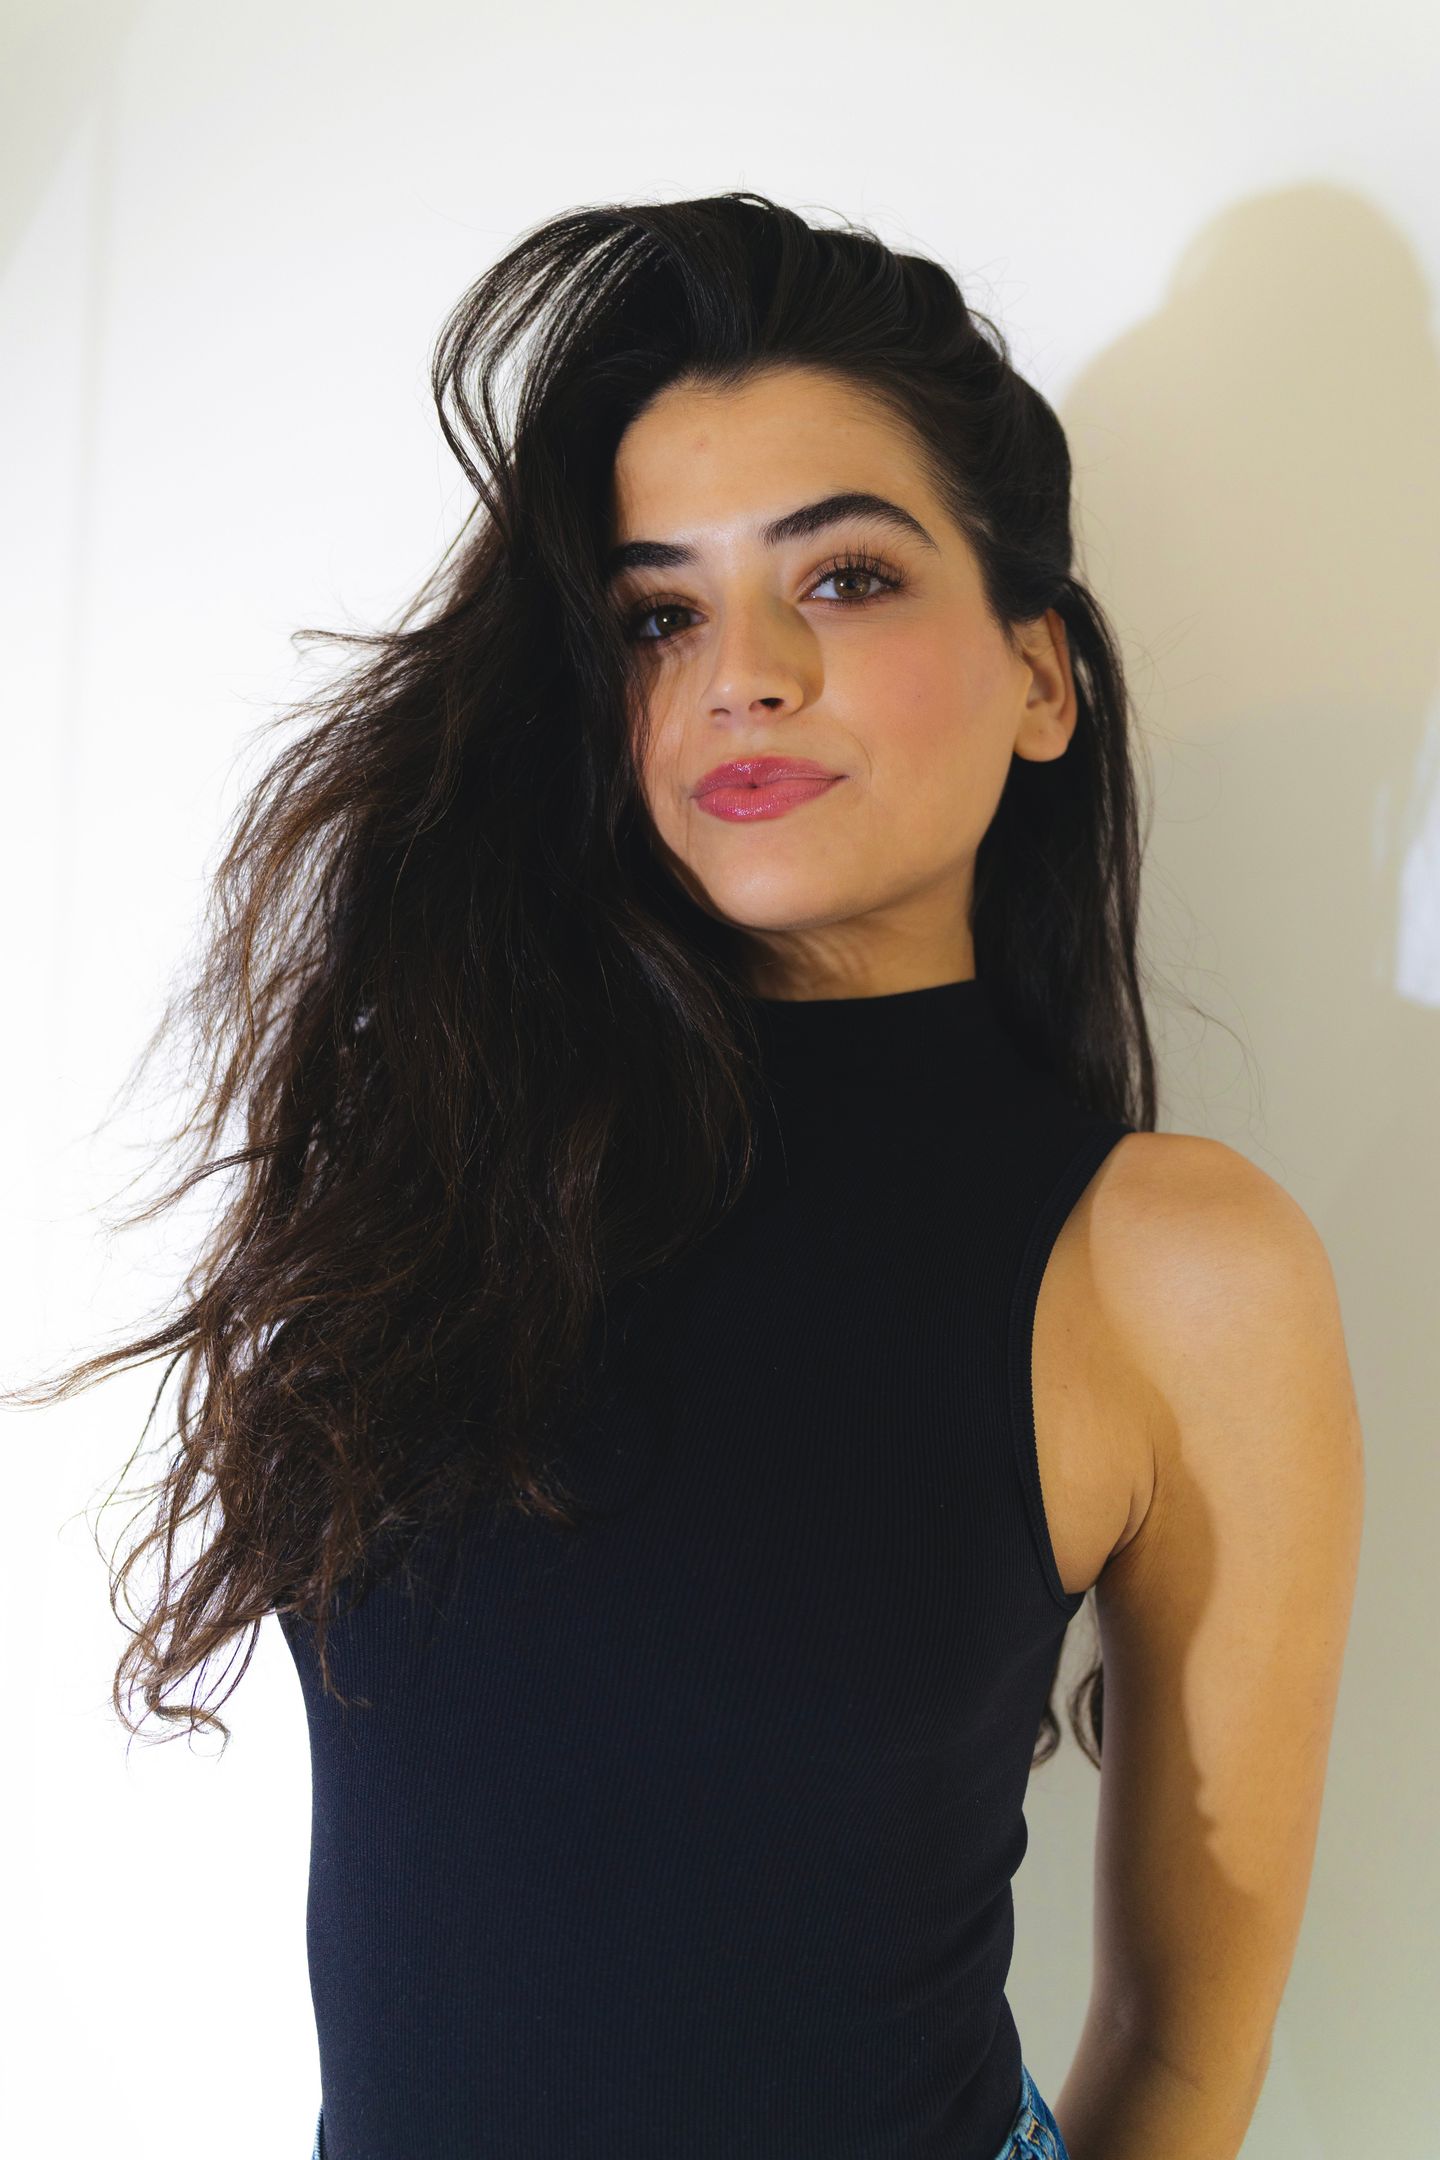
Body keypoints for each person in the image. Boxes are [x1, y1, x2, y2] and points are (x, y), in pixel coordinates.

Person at [16, 193, 1363, 2160]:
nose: (746, 670)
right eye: (660, 614)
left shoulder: (1174, 1265)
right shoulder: (453, 1164)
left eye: (845, 579)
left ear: (1041, 678)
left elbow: (1179, 2045)